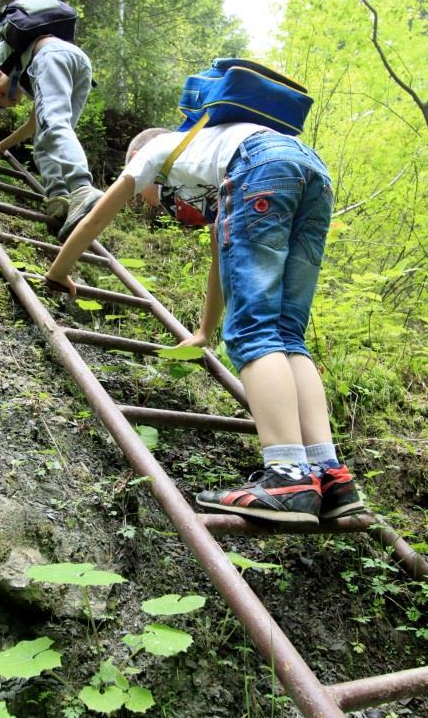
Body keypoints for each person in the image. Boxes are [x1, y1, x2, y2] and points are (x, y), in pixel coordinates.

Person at [44, 121, 363, 525]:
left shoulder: (155, 151)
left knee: (255, 332)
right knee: (287, 334)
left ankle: (287, 477)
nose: (146, 203)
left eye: (145, 195)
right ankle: (329, 475)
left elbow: (92, 218)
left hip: (263, 166)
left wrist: (58, 272)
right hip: (312, 170)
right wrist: (205, 331)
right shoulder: (212, 164)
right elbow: (222, 248)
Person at [0, 0, 103, 242]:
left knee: (55, 124)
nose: (11, 95)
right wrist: (2, 146)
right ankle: (58, 198)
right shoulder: (31, 67)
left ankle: (81, 188)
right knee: (49, 133)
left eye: (4, 93)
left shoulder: (6, 47)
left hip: (53, 55)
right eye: (12, 100)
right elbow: (33, 125)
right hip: (80, 62)